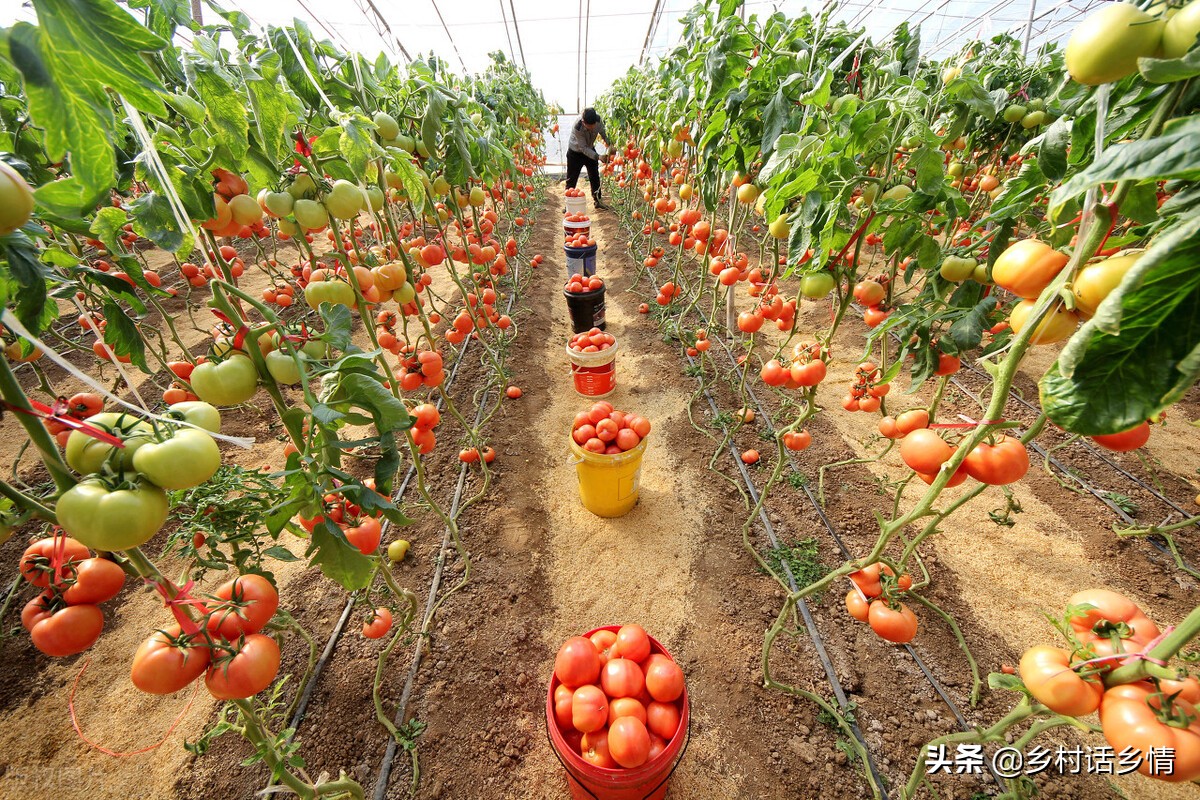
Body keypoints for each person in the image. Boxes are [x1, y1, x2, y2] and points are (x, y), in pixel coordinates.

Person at [566, 107, 611, 209]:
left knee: (594, 176)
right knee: (571, 179)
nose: (591, 128)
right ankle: (568, 204)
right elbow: (583, 148)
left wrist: (610, 144)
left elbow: (604, 134)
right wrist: (598, 156)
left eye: (593, 125)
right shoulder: (577, 127)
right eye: (588, 126)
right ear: (583, 122)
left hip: (589, 148)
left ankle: (598, 200)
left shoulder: (598, 120)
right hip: (576, 152)